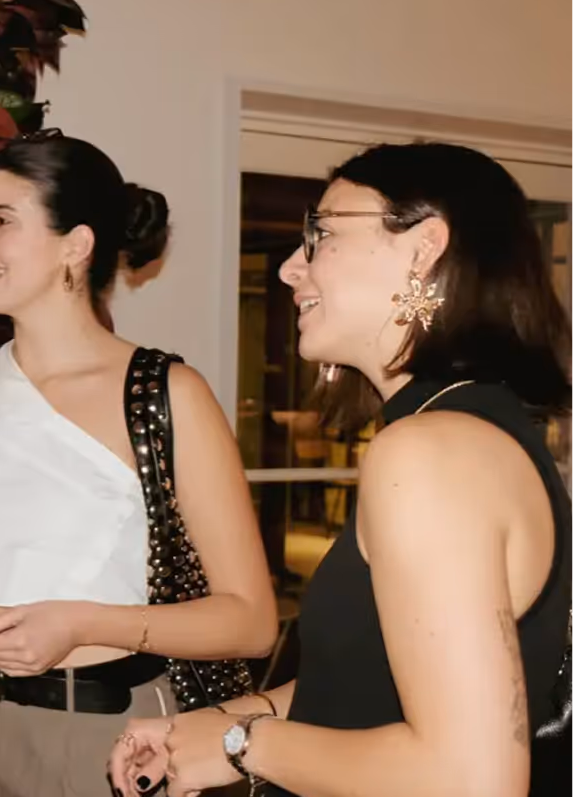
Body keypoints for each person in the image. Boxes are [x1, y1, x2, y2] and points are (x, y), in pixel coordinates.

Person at [109, 142, 573, 797]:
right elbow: (364, 681)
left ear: (423, 246)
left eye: (321, 234)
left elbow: (470, 781)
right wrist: (218, 723)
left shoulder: (431, 452)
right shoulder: (459, 430)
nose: (290, 269)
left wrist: (246, 747)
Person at [0, 130, 277, 796]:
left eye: (1, 221)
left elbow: (252, 622)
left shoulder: (167, 396)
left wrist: (83, 623)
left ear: (77, 244)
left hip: (106, 740)